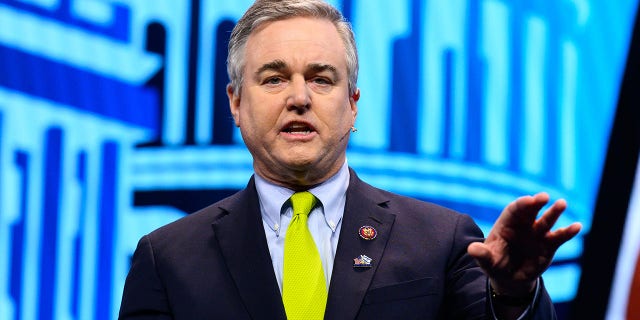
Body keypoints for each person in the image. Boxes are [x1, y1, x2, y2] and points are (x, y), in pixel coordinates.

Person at [118, 0, 582, 319]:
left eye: (321, 79)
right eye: (274, 79)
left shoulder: (441, 241)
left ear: (353, 103)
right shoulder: (167, 258)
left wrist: (515, 294)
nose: (299, 98)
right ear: (236, 103)